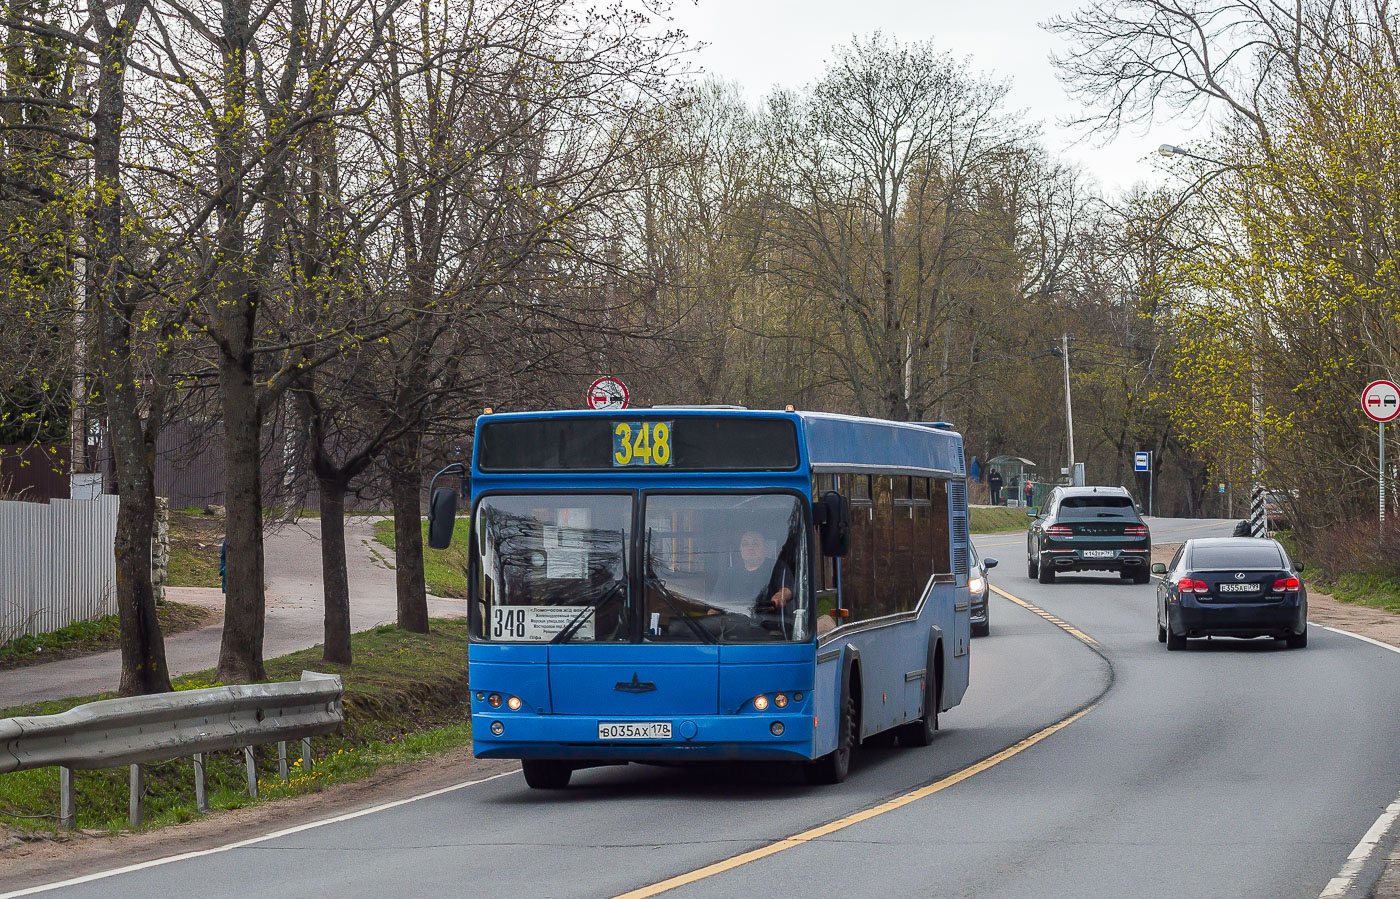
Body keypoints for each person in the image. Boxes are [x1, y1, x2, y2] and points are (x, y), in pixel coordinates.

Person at [713, 530, 794, 622]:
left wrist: (780, 596)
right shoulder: (729, 573)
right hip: (734, 628)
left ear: (764, 548)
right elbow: (715, 604)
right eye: (745, 544)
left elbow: (788, 590)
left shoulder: (777, 567)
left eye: (755, 544)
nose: (750, 548)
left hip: (770, 628)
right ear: (740, 549)